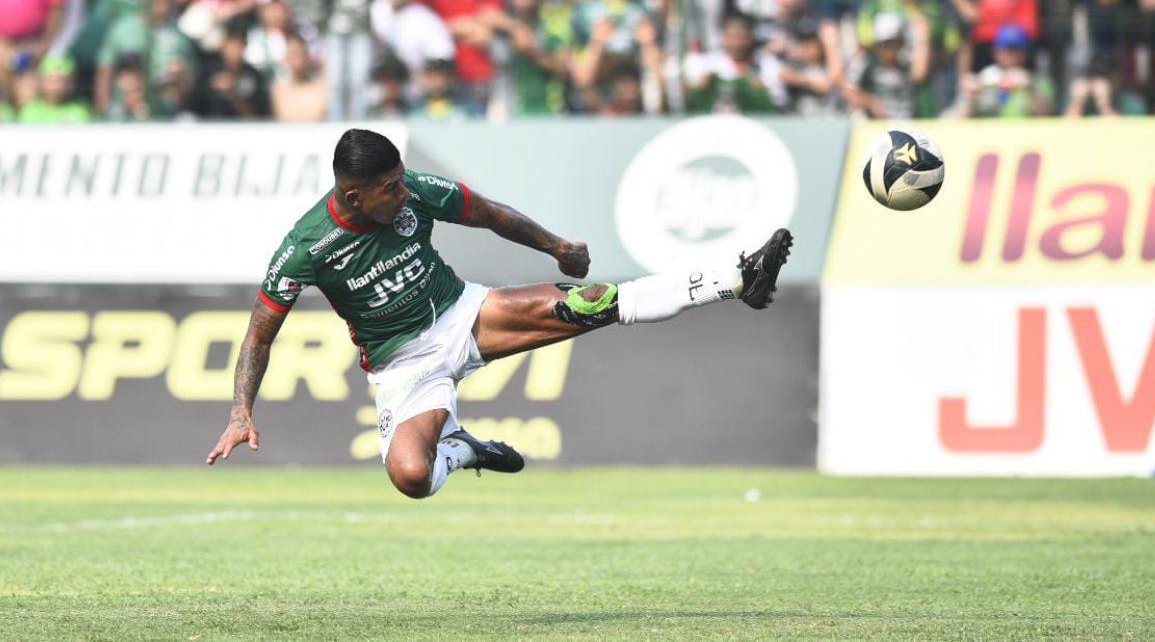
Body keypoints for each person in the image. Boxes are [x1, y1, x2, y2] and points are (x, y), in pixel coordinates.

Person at [205, 128, 794, 499]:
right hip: (402, 366)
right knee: (411, 478)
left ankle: (737, 277)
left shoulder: (411, 188)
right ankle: (463, 449)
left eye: (402, 181)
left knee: (594, 303)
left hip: (465, 314)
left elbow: (488, 213)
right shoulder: (306, 248)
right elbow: (261, 333)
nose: (404, 194)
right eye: (391, 189)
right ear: (355, 196)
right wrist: (240, 411)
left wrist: (556, 247)